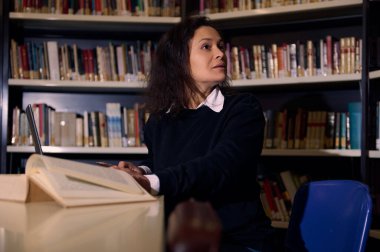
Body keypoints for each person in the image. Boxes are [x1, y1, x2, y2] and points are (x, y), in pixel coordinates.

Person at [112, 16, 273, 252]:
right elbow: (161, 160)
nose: (220, 54)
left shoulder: (243, 108)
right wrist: (142, 171)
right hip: (176, 237)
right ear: (179, 60)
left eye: (220, 46)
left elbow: (220, 165)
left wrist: (151, 182)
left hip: (236, 240)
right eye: (207, 46)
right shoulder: (159, 119)